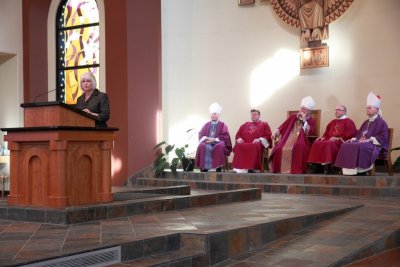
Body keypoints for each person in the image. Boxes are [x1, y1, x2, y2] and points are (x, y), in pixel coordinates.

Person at [334, 92, 389, 175]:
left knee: (361, 146)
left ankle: (362, 170)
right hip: (362, 142)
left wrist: (369, 139)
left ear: (377, 110)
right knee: (346, 145)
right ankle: (348, 171)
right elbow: (359, 134)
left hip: (373, 145)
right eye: (366, 108)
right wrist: (353, 139)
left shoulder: (381, 122)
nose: (367, 109)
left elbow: (384, 137)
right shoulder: (366, 122)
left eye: (369, 108)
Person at [269, 96, 316, 174]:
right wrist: (276, 132)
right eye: (301, 108)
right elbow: (283, 126)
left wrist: (304, 120)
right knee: (279, 148)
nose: (302, 110)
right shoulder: (293, 116)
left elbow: (309, 133)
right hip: (287, 138)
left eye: (304, 109)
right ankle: (279, 169)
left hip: (301, 140)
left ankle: (295, 169)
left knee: (299, 147)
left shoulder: (310, 120)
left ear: (308, 111)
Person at [308, 105, 357, 174]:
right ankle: (316, 166)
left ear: (344, 112)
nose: (336, 111)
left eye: (339, 110)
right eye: (335, 110)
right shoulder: (332, 122)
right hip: (330, 140)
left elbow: (350, 134)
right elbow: (327, 133)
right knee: (317, 142)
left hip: (340, 142)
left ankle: (329, 167)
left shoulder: (349, 122)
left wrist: (338, 138)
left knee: (329, 143)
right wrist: (323, 137)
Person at [195, 103, 232, 172]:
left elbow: (226, 135)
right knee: (202, 145)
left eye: (215, 114)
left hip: (218, 142)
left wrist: (215, 139)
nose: (213, 115)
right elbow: (201, 133)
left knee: (220, 146)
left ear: (218, 115)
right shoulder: (206, 124)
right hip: (207, 142)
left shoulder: (223, 125)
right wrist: (207, 138)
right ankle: (205, 167)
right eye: (212, 114)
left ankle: (218, 167)